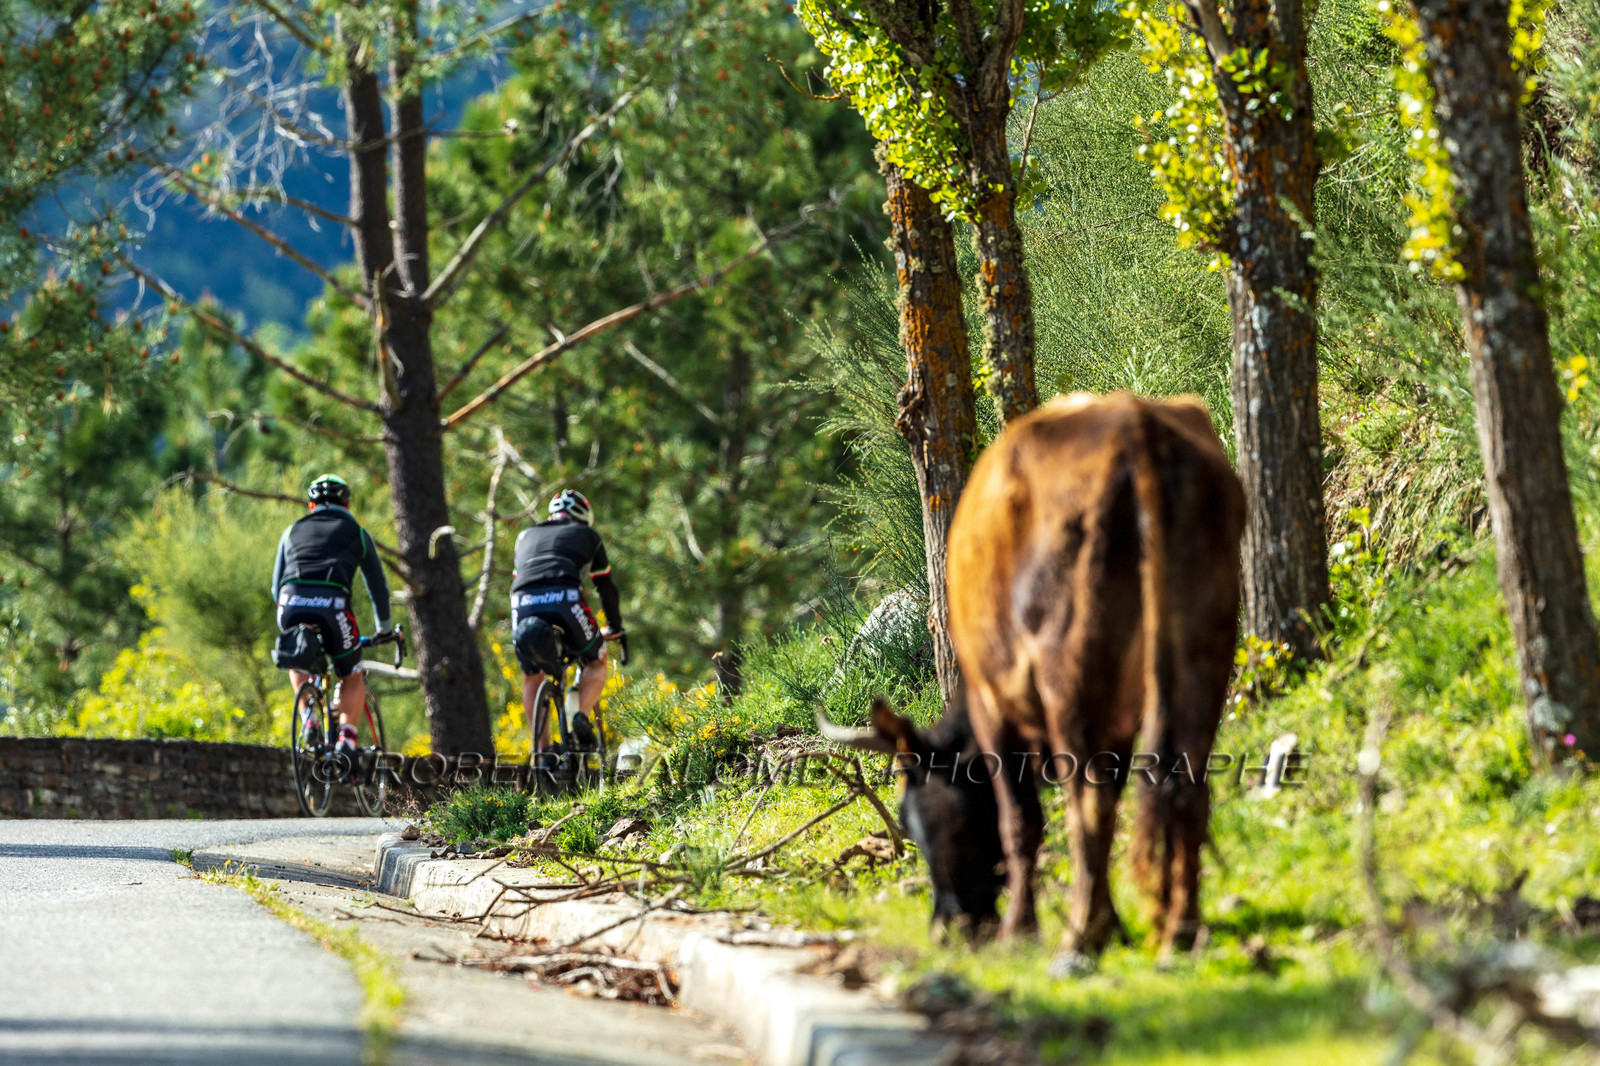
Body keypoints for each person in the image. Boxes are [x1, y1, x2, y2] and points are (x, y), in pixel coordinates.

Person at [271, 474, 394, 754]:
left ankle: (309, 721)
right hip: (333, 607)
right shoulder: (358, 533)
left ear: (311, 506)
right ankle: (347, 742)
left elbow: (275, 586)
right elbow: (378, 588)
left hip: (289, 605)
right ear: (347, 506)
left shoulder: (291, 531)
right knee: (351, 675)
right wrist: (384, 629)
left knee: (297, 658)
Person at [511, 489, 628, 751]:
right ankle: (580, 717)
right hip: (564, 597)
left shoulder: (524, 536)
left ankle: (542, 753)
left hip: (522, 602)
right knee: (596, 661)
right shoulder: (589, 535)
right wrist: (614, 626)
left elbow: (521, 577)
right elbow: (605, 588)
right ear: (584, 516)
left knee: (532, 676)